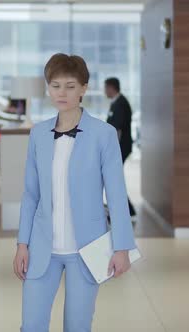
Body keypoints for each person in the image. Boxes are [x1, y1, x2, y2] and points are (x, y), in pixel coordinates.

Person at [13, 53, 137, 332]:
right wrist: (22, 244)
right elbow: (31, 194)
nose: (62, 93)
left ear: (83, 88)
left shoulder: (103, 134)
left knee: (77, 327)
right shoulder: (39, 134)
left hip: (87, 248)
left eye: (70, 86)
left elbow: (116, 194)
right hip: (42, 247)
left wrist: (122, 248)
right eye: (55, 85)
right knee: (31, 326)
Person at [104, 77, 137, 221]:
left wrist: (113, 151)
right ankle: (126, 210)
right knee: (114, 179)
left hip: (120, 148)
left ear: (111, 88)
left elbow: (117, 130)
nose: (104, 91)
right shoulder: (115, 103)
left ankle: (124, 211)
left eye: (105, 88)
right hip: (118, 148)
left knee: (114, 179)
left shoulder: (120, 104)